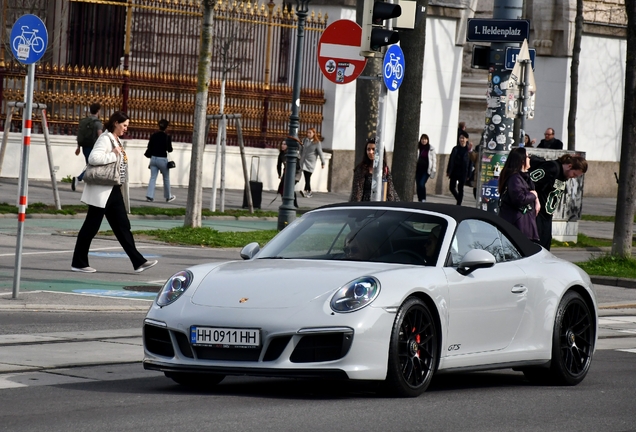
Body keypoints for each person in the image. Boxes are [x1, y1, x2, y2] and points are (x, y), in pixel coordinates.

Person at [71, 111, 158, 274]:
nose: (126, 128)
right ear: (116, 123)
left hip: (113, 189)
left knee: (123, 226)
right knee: (91, 227)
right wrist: (113, 154)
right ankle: (78, 262)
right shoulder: (105, 139)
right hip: (102, 190)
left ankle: (138, 262)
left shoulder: (115, 139)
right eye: (124, 125)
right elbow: (93, 159)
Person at [529, 154, 588, 250]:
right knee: (535, 246)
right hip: (537, 214)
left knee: (545, 247)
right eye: (574, 174)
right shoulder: (552, 168)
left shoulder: (563, 176)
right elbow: (529, 181)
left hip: (547, 216)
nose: (573, 177)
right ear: (569, 166)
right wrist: (535, 199)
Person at [497, 147, 540, 242]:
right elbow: (519, 199)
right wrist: (534, 195)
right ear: (522, 160)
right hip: (518, 225)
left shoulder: (523, 177)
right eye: (528, 157)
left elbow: (531, 190)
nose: (530, 159)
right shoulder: (514, 178)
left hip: (523, 224)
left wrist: (535, 198)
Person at [350, 138, 399, 202]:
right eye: (368, 149)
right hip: (367, 204)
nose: (370, 152)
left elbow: (390, 190)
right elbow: (357, 192)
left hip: (381, 204)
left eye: (373, 149)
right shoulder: (361, 169)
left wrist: (394, 204)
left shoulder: (384, 168)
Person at [72, 102, 103, 191]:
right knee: (92, 167)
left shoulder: (84, 121)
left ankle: (89, 185)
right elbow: (100, 137)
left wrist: (78, 147)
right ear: (98, 111)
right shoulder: (98, 123)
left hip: (84, 147)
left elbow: (80, 134)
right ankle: (79, 179)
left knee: (90, 166)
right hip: (93, 148)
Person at [144, 119, 175, 202]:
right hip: (162, 159)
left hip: (153, 159)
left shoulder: (154, 135)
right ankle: (168, 196)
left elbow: (149, 146)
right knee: (166, 178)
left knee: (153, 178)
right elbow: (170, 149)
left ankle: (149, 196)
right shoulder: (167, 137)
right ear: (166, 127)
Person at [299, 128, 325, 198]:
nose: (308, 134)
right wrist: (300, 156)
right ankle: (307, 191)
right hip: (303, 161)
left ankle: (307, 190)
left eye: (310, 133)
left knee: (308, 176)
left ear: (314, 133)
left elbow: (320, 153)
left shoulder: (317, 142)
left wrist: (323, 162)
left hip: (311, 162)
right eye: (307, 132)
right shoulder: (304, 140)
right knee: (306, 176)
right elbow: (301, 149)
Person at [446, 131, 470, 205]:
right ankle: (458, 198)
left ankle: (459, 203)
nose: (461, 139)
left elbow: (470, 163)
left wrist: (469, 174)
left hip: (463, 171)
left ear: (467, 139)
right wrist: (448, 171)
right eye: (460, 138)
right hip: (455, 170)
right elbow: (451, 160)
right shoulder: (455, 148)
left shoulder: (468, 150)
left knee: (460, 188)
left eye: (463, 138)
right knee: (451, 187)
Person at [415, 133, 437, 202]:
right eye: (422, 139)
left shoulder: (431, 149)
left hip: (426, 170)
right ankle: (420, 199)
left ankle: (423, 199)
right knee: (418, 185)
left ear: (427, 140)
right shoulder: (417, 147)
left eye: (425, 139)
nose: (424, 141)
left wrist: (433, 170)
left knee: (422, 184)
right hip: (418, 170)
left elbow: (434, 160)